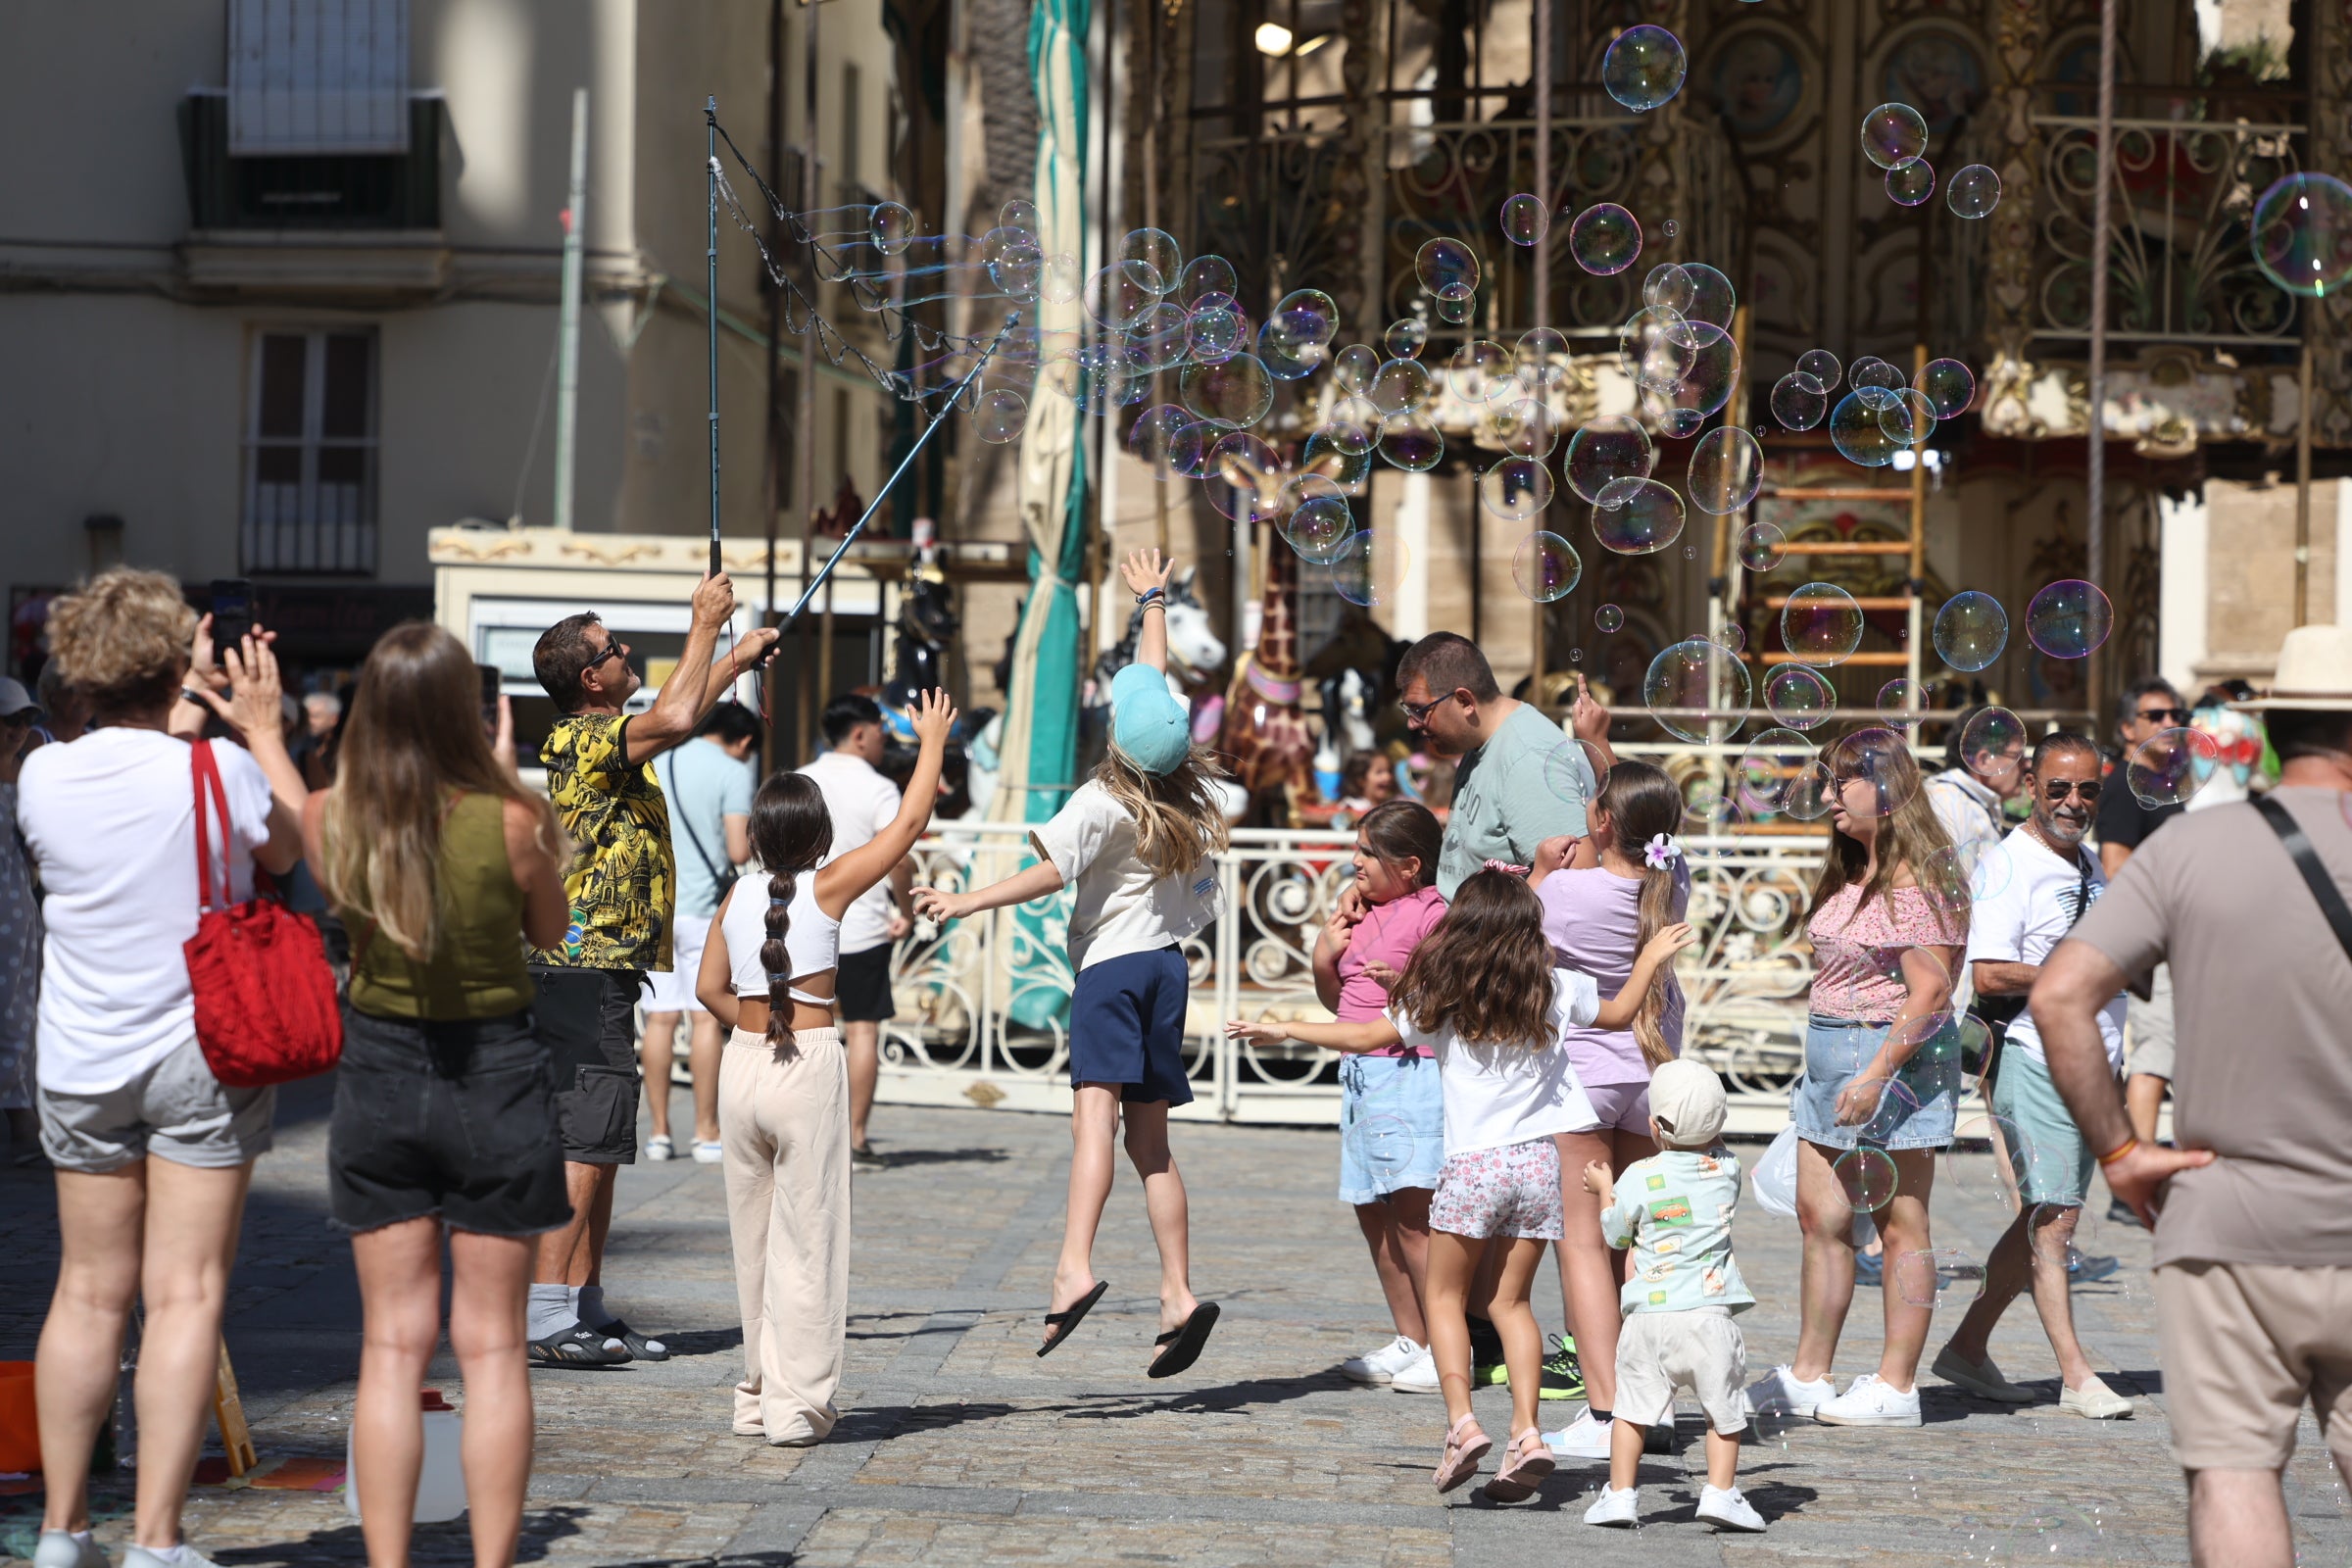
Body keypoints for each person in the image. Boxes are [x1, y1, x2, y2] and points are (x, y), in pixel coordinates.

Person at [243, 623, 573, 1568]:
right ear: (467, 714)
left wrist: (265, 721)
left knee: (391, 1348)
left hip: (381, 1076)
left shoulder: (337, 819)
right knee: (494, 1349)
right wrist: (511, 785)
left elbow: (295, 797)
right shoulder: (508, 821)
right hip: (498, 1079)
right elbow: (551, 932)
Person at [2034, 624, 2352, 1568]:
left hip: (2231, 1220)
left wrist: (2123, 1154)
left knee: (2234, 1476)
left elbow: (2058, 996)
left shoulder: (2197, 847)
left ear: (2273, 730)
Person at [1229, 870, 1694, 1500]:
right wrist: (1649, 958)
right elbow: (1617, 1015)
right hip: (1536, 1166)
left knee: (1444, 1300)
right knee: (1513, 1306)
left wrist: (1286, 1029)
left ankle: (1463, 1425)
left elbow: (1366, 1036)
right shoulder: (1552, 986)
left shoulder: (1443, 994)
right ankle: (1528, 1432)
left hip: (1473, 1167)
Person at [21, 570, 301, 1568]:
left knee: (87, 1291)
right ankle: (154, 1539)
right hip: (201, 1050)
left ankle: (61, 1530)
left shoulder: (43, 775)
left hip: (80, 1055)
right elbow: (291, 848)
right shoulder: (218, 771)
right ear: (178, 658)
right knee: (185, 1294)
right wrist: (261, 727)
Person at [912, 549, 1227, 1376]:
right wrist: (1152, 598)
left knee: (1094, 1124)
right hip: (1166, 969)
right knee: (1152, 1144)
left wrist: (966, 901)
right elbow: (1153, 685)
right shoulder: (1183, 789)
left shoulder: (1100, 801)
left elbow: (1047, 873)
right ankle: (1177, 1292)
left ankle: (1072, 1266)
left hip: (1111, 974)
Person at [523, 575, 779, 1366]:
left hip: (607, 969)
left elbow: (678, 712)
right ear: (588, 680)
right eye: (612, 650)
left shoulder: (611, 735)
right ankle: (544, 1314)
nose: (626, 653)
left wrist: (732, 659)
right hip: (580, 966)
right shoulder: (576, 739)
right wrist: (704, 624)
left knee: (602, 1144)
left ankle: (586, 1306)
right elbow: (673, 717)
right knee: (583, 1141)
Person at [697, 689, 955, 1446]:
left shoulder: (737, 897)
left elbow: (712, 989)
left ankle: (754, 1395)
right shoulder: (832, 884)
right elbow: (909, 826)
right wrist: (931, 742)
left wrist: (754, 1022)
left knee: (754, 1247)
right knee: (809, 1243)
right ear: (817, 835)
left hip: (741, 1066)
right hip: (805, 1063)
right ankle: (798, 1408)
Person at [1747, 728, 1966, 1428]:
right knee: (1823, 1220)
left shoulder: (1918, 879)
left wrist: (1876, 1072)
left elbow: (1930, 993)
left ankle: (1897, 1386)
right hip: (1828, 1057)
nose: (1829, 794)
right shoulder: (1849, 869)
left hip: (1891, 1061)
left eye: (1843, 780)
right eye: (1828, 779)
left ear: (1890, 788)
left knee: (1903, 1225)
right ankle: (1811, 1374)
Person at [1931, 733, 2135, 1419]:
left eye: (2086, 790)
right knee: (2055, 1218)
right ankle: (2077, 1376)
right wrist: (2080, 971)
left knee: (2043, 1216)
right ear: (2030, 787)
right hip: (2035, 1058)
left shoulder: (2086, 866)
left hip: (2092, 1066)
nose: (2073, 802)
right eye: (2058, 789)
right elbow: (1988, 972)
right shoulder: (2008, 865)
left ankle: (1966, 1348)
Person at [1530, 760, 1691, 1458]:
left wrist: (1537, 873)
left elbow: (1513, 936)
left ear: (1601, 823)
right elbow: (1642, 845)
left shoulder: (1566, 889)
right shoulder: (1672, 878)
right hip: (1653, 1068)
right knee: (1642, 1240)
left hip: (1585, 1071)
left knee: (1586, 1243)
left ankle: (1605, 1412)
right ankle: (1651, 1404)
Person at [1581, 1058, 1765, 1533]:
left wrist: (1604, 1189)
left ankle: (1620, 1496)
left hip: (1650, 1320)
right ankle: (1721, 1494)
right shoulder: (1727, 1170)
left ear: (1654, 1126)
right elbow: (1713, 1144)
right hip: (1708, 1319)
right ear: (1718, 1126)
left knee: (1632, 1413)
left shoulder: (1639, 1175)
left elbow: (1616, 1234)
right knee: (1722, 1414)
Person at [1310, 799, 1447, 1391]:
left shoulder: (1434, 914)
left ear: (1411, 865)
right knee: (1372, 1209)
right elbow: (1337, 1003)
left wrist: (1407, 983)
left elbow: (1444, 1002)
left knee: (1414, 1215)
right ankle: (1408, 1336)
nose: (1355, 862)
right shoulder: (1361, 910)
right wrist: (1324, 952)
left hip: (1409, 1075)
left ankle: (1445, 1347)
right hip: (1360, 1074)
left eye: (1369, 853)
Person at [1395, 632, 1614, 898]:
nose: (1412, 723)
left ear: (1465, 701)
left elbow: (1575, 889)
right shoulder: (1484, 743)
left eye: (1419, 709)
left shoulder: (1527, 758)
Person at [799, 694, 918, 1171]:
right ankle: (855, 1137)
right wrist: (904, 906)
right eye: (881, 733)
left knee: (801, 1029)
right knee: (863, 1029)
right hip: (863, 925)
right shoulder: (879, 788)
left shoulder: (801, 779)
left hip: (804, 924)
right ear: (861, 733)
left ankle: (803, 1135)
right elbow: (902, 857)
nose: (883, 743)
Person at [641, 702, 759, 1163]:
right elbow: (735, 849)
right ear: (745, 740)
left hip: (656, 906)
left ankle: (658, 1132)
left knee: (659, 1019)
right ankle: (706, 1131)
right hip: (705, 911)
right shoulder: (733, 771)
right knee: (704, 1019)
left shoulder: (661, 758)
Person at [2099, 677, 2188, 1169]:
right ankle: (2140, 1157)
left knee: (2170, 1043)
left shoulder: (2164, 782)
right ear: (2128, 728)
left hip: (2175, 935)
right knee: (2157, 1046)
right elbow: (2115, 865)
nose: (2169, 723)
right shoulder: (2126, 783)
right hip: (2153, 938)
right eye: (2156, 716)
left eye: (2176, 714)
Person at [1, 677, 44, 1160]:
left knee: (17, 1009)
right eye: (9, 720)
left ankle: (20, 1114)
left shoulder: (32, 775)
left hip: (16, 903)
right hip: (13, 901)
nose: (18, 729)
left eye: (26, 719)